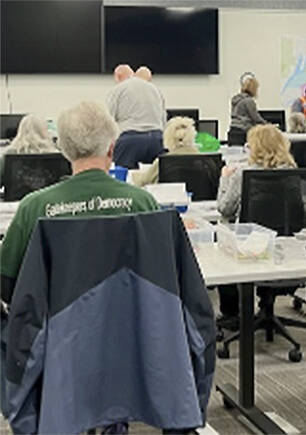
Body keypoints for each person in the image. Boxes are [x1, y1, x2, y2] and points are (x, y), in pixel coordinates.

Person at [0, 101, 159, 433]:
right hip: (126, 344)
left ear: (65, 150)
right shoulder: (143, 203)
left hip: (56, 348)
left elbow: (8, 284)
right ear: (113, 148)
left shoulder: (35, 207)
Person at [215, 124, 297, 323]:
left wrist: (224, 179)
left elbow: (224, 208)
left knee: (220, 231)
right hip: (286, 248)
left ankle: (231, 312)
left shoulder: (241, 174)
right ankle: (266, 302)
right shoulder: (293, 173)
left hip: (249, 248)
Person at [106, 64, 166, 169]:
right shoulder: (155, 89)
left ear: (117, 77)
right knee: (155, 179)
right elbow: (163, 119)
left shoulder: (118, 89)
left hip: (130, 141)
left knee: (123, 180)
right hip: (157, 140)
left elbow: (108, 120)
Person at [133, 116, 199, 187]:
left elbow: (144, 181)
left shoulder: (162, 162)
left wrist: (134, 175)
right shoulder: (204, 161)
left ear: (168, 139)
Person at [0, 114, 57, 182]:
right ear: (45, 131)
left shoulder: (7, 154)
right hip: (49, 193)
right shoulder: (56, 155)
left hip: (19, 193)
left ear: (20, 131)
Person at [228, 75, 266, 146]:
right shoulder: (249, 101)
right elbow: (256, 118)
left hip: (233, 130)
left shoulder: (236, 99)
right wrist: (268, 125)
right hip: (244, 131)